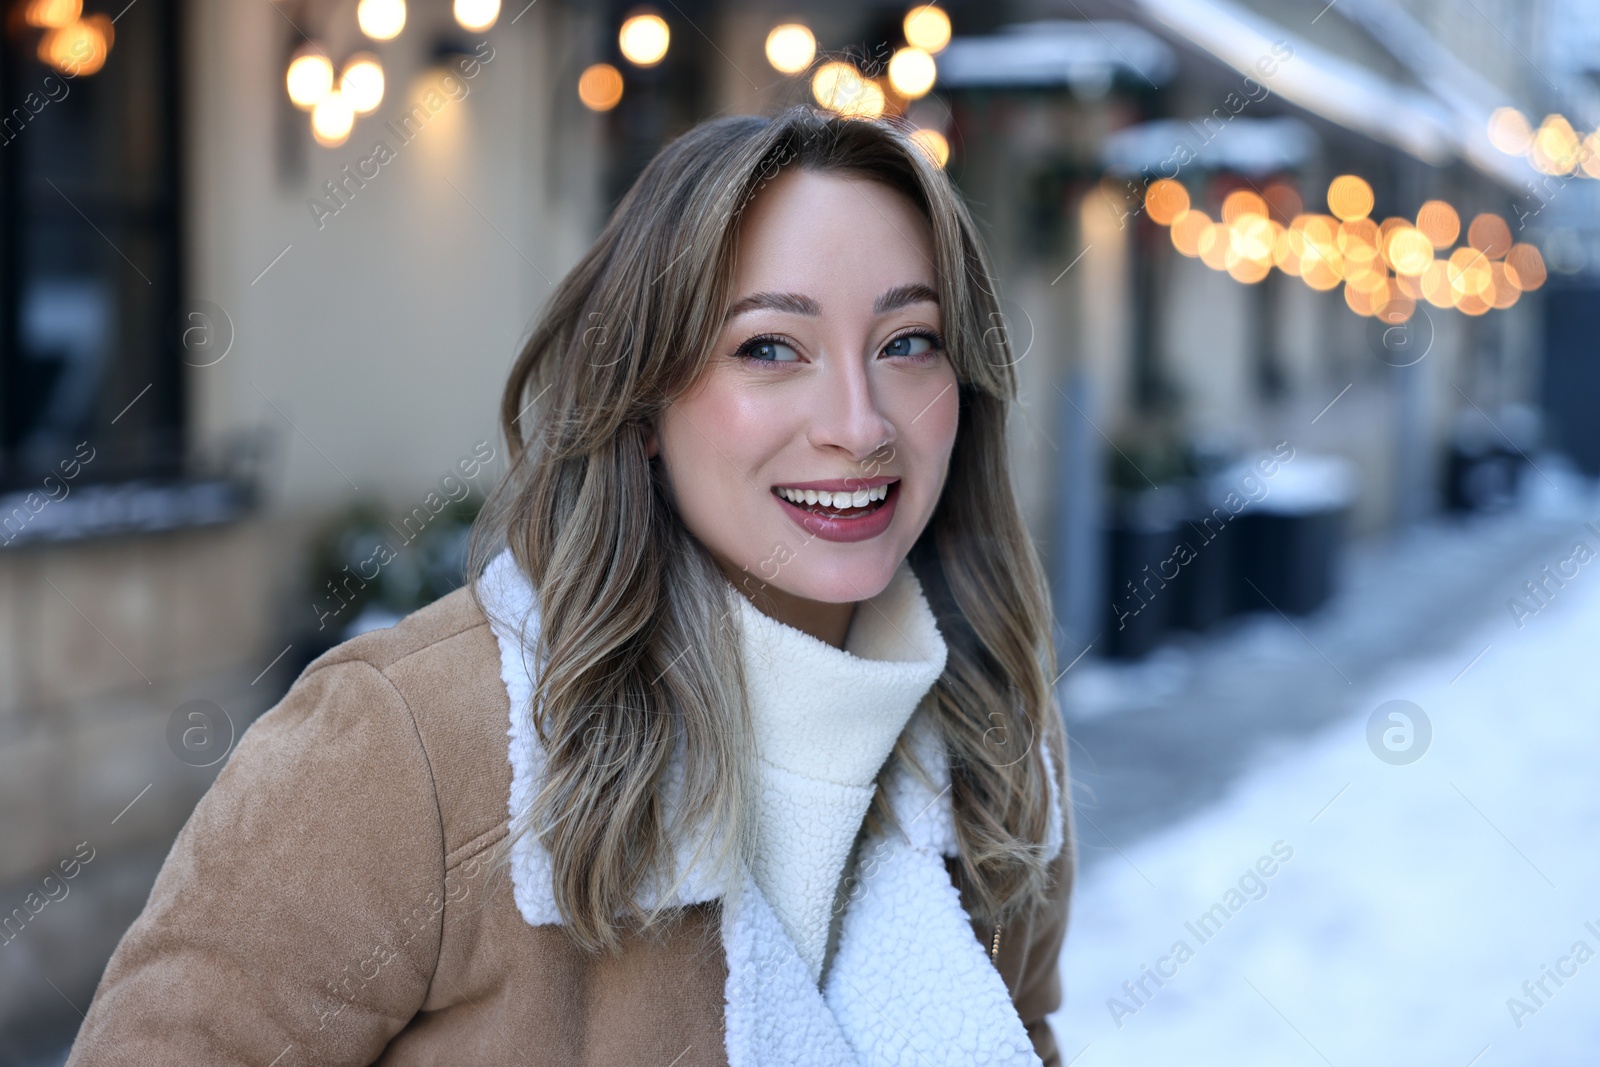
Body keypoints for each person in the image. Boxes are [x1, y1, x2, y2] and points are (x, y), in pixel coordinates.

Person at [66, 105, 1077, 1066]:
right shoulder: (414, 745)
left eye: (908, 342)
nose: (860, 424)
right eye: (770, 346)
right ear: (641, 405)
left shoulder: (990, 735)